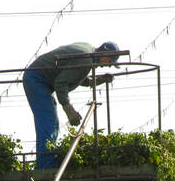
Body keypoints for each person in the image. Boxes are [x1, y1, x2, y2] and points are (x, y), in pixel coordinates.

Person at [22, 40, 121, 168]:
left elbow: (74, 76)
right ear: (105, 53)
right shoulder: (86, 59)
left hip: (41, 79)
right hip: (36, 79)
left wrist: (97, 80)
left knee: (52, 123)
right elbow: (61, 83)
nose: (108, 65)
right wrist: (69, 109)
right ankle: (45, 166)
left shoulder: (88, 54)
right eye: (110, 61)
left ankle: (46, 161)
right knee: (48, 122)